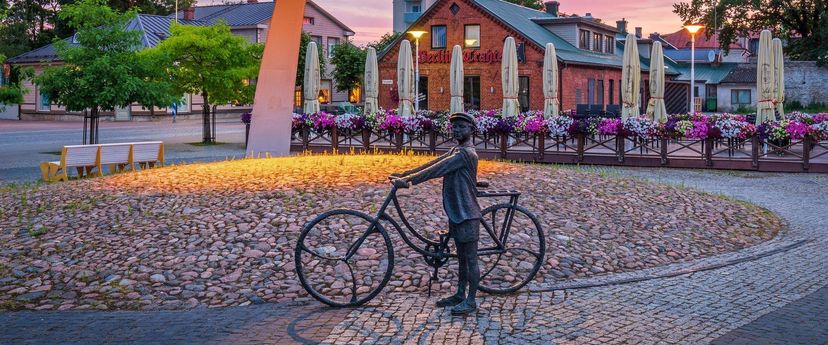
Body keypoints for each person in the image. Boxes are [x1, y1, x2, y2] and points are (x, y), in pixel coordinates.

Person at [390, 112, 481, 315]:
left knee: (470, 258)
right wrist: (405, 174)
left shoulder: (466, 153)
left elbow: (438, 170)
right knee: (461, 257)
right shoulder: (457, 149)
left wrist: (410, 181)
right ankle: (460, 294)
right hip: (457, 211)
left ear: (471, 130)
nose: (456, 130)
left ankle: (471, 300)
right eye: (454, 127)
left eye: (461, 127)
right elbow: (432, 164)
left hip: (467, 212)